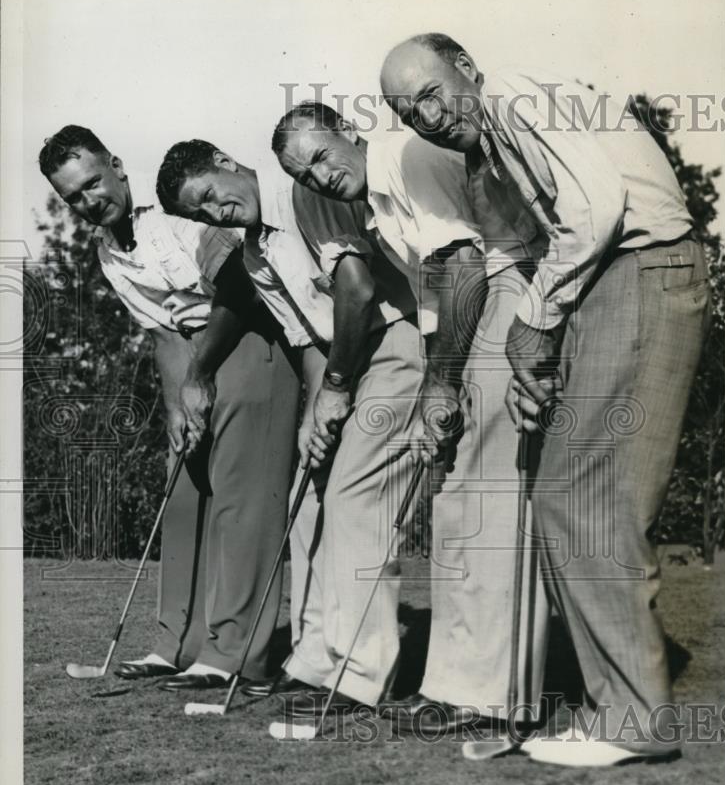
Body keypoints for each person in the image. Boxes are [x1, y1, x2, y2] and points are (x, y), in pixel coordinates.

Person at [380, 33, 710, 764]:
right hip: (615, 281)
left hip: (644, 268)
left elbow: (595, 214)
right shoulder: (490, 145)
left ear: (466, 69)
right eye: (409, 113)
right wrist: (545, 343)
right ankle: (612, 709)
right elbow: (563, 242)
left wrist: (534, 322)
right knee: (569, 491)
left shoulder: (520, 96)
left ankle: (627, 719)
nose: (426, 118)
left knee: (585, 497)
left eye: (431, 93)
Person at [272, 101, 550, 734]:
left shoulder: (403, 159)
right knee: (457, 495)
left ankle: (490, 695)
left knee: (482, 492)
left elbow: (467, 267)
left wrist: (440, 383)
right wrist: (437, 372)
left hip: (514, 287)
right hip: (467, 309)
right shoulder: (368, 198)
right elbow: (437, 285)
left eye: (322, 155)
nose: (319, 176)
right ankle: (466, 687)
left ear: (351, 132)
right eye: (304, 173)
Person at [156, 139, 422, 718]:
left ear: (226, 164)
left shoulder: (301, 194)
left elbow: (357, 290)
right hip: (339, 363)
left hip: (392, 347)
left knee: (353, 500)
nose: (215, 213)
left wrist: (334, 389)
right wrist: (311, 411)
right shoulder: (254, 255)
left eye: (209, 197)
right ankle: (313, 660)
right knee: (307, 504)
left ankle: (360, 673)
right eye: (200, 215)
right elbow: (307, 337)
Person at [39, 125, 300, 693]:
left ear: (116, 165)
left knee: (241, 501)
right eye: (73, 197)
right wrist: (176, 409)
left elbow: (238, 289)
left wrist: (201, 376)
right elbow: (162, 334)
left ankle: (236, 652)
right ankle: (177, 644)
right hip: (195, 362)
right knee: (183, 497)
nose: (89, 202)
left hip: (251, 345)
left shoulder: (179, 219)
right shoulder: (108, 253)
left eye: (92, 184)